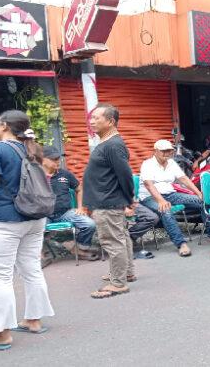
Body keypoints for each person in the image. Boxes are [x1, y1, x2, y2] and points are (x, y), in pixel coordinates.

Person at [0, 110, 54, 350]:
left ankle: (1, 334)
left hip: (4, 221)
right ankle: (33, 319)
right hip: (34, 218)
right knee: (31, 269)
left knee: (0, 278)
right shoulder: (31, 149)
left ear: (5, 126)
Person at [83, 104, 135, 299]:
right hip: (107, 200)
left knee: (113, 242)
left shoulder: (113, 145)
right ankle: (125, 272)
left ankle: (118, 283)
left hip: (107, 202)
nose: (92, 121)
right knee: (120, 238)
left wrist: (129, 199)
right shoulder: (107, 143)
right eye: (91, 117)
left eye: (96, 118)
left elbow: (125, 175)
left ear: (110, 121)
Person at [140, 139, 205, 257]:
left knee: (201, 201)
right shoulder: (147, 164)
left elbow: (184, 179)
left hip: (170, 194)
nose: (167, 153)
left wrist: (198, 193)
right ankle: (181, 244)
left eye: (169, 151)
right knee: (166, 210)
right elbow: (148, 185)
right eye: (163, 151)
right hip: (151, 197)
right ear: (155, 151)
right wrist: (161, 200)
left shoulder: (171, 163)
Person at [41, 146, 98, 261]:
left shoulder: (65, 174)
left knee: (90, 224)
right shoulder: (36, 176)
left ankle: (79, 248)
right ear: (43, 160)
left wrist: (80, 207)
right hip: (43, 215)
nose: (58, 161)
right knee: (33, 229)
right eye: (54, 159)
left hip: (65, 213)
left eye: (58, 158)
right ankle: (40, 255)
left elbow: (79, 189)